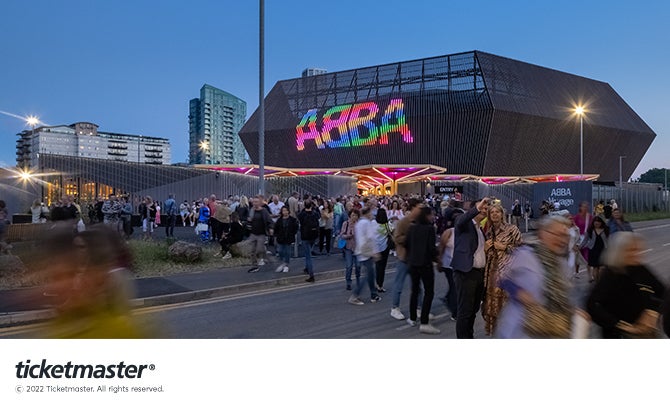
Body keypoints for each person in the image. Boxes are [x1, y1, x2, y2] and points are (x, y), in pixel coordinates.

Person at [496, 215, 576, 338]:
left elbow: (564, 294)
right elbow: (500, 277)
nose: (562, 240)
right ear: (542, 233)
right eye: (557, 234)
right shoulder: (525, 254)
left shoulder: (562, 263)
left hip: (552, 327)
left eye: (565, 236)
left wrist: (572, 310)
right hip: (521, 328)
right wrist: (518, 292)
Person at [587, 232, 665, 338]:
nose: (638, 254)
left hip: (647, 332)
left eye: (639, 250)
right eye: (632, 250)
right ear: (619, 252)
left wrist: (652, 312)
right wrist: (620, 325)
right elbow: (593, 305)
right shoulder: (610, 275)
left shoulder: (641, 269)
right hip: (620, 335)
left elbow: (663, 292)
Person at [482, 202, 522, 336]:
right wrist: (486, 249)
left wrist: (504, 247)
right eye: (492, 212)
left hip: (508, 272)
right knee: (493, 305)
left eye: (497, 212)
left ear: (502, 214)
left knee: (508, 304)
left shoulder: (512, 229)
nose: (494, 214)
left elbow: (521, 250)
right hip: (492, 272)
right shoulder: (488, 231)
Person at [452, 198, 489, 338]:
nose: (484, 211)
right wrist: (476, 209)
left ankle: (469, 336)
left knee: (473, 310)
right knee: (465, 311)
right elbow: (461, 219)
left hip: (478, 274)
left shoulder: (480, 230)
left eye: (486, 209)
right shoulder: (464, 224)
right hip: (466, 273)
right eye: (482, 208)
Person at [405, 206, 440, 334]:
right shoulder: (430, 229)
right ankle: (424, 321)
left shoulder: (412, 227)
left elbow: (406, 243)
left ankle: (412, 317)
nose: (433, 217)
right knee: (429, 292)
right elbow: (431, 248)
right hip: (425, 264)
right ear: (427, 216)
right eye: (431, 215)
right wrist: (437, 257)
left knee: (414, 291)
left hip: (413, 263)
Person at [390, 198, 422, 320]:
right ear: (413, 208)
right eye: (419, 207)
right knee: (399, 284)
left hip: (415, 258)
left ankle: (419, 308)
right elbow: (396, 238)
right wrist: (410, 236)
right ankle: (395, 308)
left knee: (417, 286)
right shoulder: (404, 221)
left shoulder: (419, 221)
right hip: (404, 258)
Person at [348, 207, 381, 305]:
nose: (372, 215)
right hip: (366, 252)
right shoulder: (366, 223)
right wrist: (375, 252)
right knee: (368, 275)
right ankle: (355, 295)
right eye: (371, 213)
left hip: (361, 251)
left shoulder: (359, 223)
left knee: (370, 274)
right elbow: (371, 238)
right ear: (368, 213)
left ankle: (374, 294)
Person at [246, 196, 274, 273]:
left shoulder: (264, 211)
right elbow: (249, 221)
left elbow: (269, 221)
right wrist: (248, 222)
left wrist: (271, 228)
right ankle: (254, 266)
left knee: (259, 249)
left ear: (260, 203)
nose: (255, 204)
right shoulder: (251, 210)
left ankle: (266, 256)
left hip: (261, 233)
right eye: (253, 202)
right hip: (253, 233)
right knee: (252, 251)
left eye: (256, 202)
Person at [297, 199, 320, 282]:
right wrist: (316, 206)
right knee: (309, 252)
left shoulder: (302, 214)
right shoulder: (315, 214)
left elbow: (299, 218)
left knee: (308, 256)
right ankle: (307, 268)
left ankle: (311, 275)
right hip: (313, 236)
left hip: (305, 236)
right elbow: (319, 215)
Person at [340, 209, 361, 290]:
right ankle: (348, 282)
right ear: (349, 216)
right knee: (349, 266)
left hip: (357, 248)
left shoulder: (359, 225)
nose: (354, 217)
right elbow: (342, 234)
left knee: (358, 266)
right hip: (348, 248)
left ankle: (358, 281)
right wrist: (348, 235)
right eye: (352, 215)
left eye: (355, 215)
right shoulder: (346, 224)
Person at [273, 206, 298, 273]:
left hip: (288, 238)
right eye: (283, 211)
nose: (284, 212)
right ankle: (282, 263)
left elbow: (296, 227)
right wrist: (275, 236)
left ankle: (286, 265)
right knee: (280, 251)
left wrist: (292, 234)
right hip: (280, 238)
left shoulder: (292, 220)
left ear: (288, 211)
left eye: (286, 210)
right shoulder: (279, 220)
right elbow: (276, 228)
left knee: (287, 252)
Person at [585, 216, 609, 282]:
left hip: (603, 250)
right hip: (593, 250)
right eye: (595, 221)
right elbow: (585, 240)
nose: (597, 223)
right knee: (595, 267)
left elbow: (609, 240)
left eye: (598, 222)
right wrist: (580, 247)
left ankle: (600, 281)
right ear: (593, 223)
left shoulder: (606, 230)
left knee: (602, 267)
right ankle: (596, 282)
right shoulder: (590, 230)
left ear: (601, 223)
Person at [374, 208, 392, 293]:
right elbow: (393, 231)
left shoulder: (373, 223)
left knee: (377, 267)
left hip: (376, 248)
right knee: (382, 268)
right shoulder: (387, 224)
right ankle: (380, 285)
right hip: (385, 248)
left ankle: (376, 283)